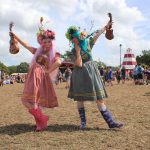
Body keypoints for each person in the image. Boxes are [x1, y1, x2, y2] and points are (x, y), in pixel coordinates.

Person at [65, 24, 123, 129]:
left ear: (78, 36)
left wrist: (105, 27)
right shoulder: (72, 52)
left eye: (74, 37)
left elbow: (97, 35)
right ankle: (83, 123)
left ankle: (110, 122)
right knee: (80, 99)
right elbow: (79, 64)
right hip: (80, 74)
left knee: (99, 98)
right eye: (72, 38)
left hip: (92, 73)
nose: (73, 40)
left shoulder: (87, 44)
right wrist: (78, 52)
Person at [9, 23, 61, 131]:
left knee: (28, 100)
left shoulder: (54, 53)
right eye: (44, 41)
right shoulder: (37, 51)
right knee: (30, 101)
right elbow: (25, 44)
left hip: (40, 77)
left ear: (52, 42)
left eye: (48, 41)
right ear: (41, 42)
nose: (46, 43)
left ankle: (41, 121)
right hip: (32, 75)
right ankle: (41, 121)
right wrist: (14, 35)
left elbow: (59, 62)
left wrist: (48, 71)